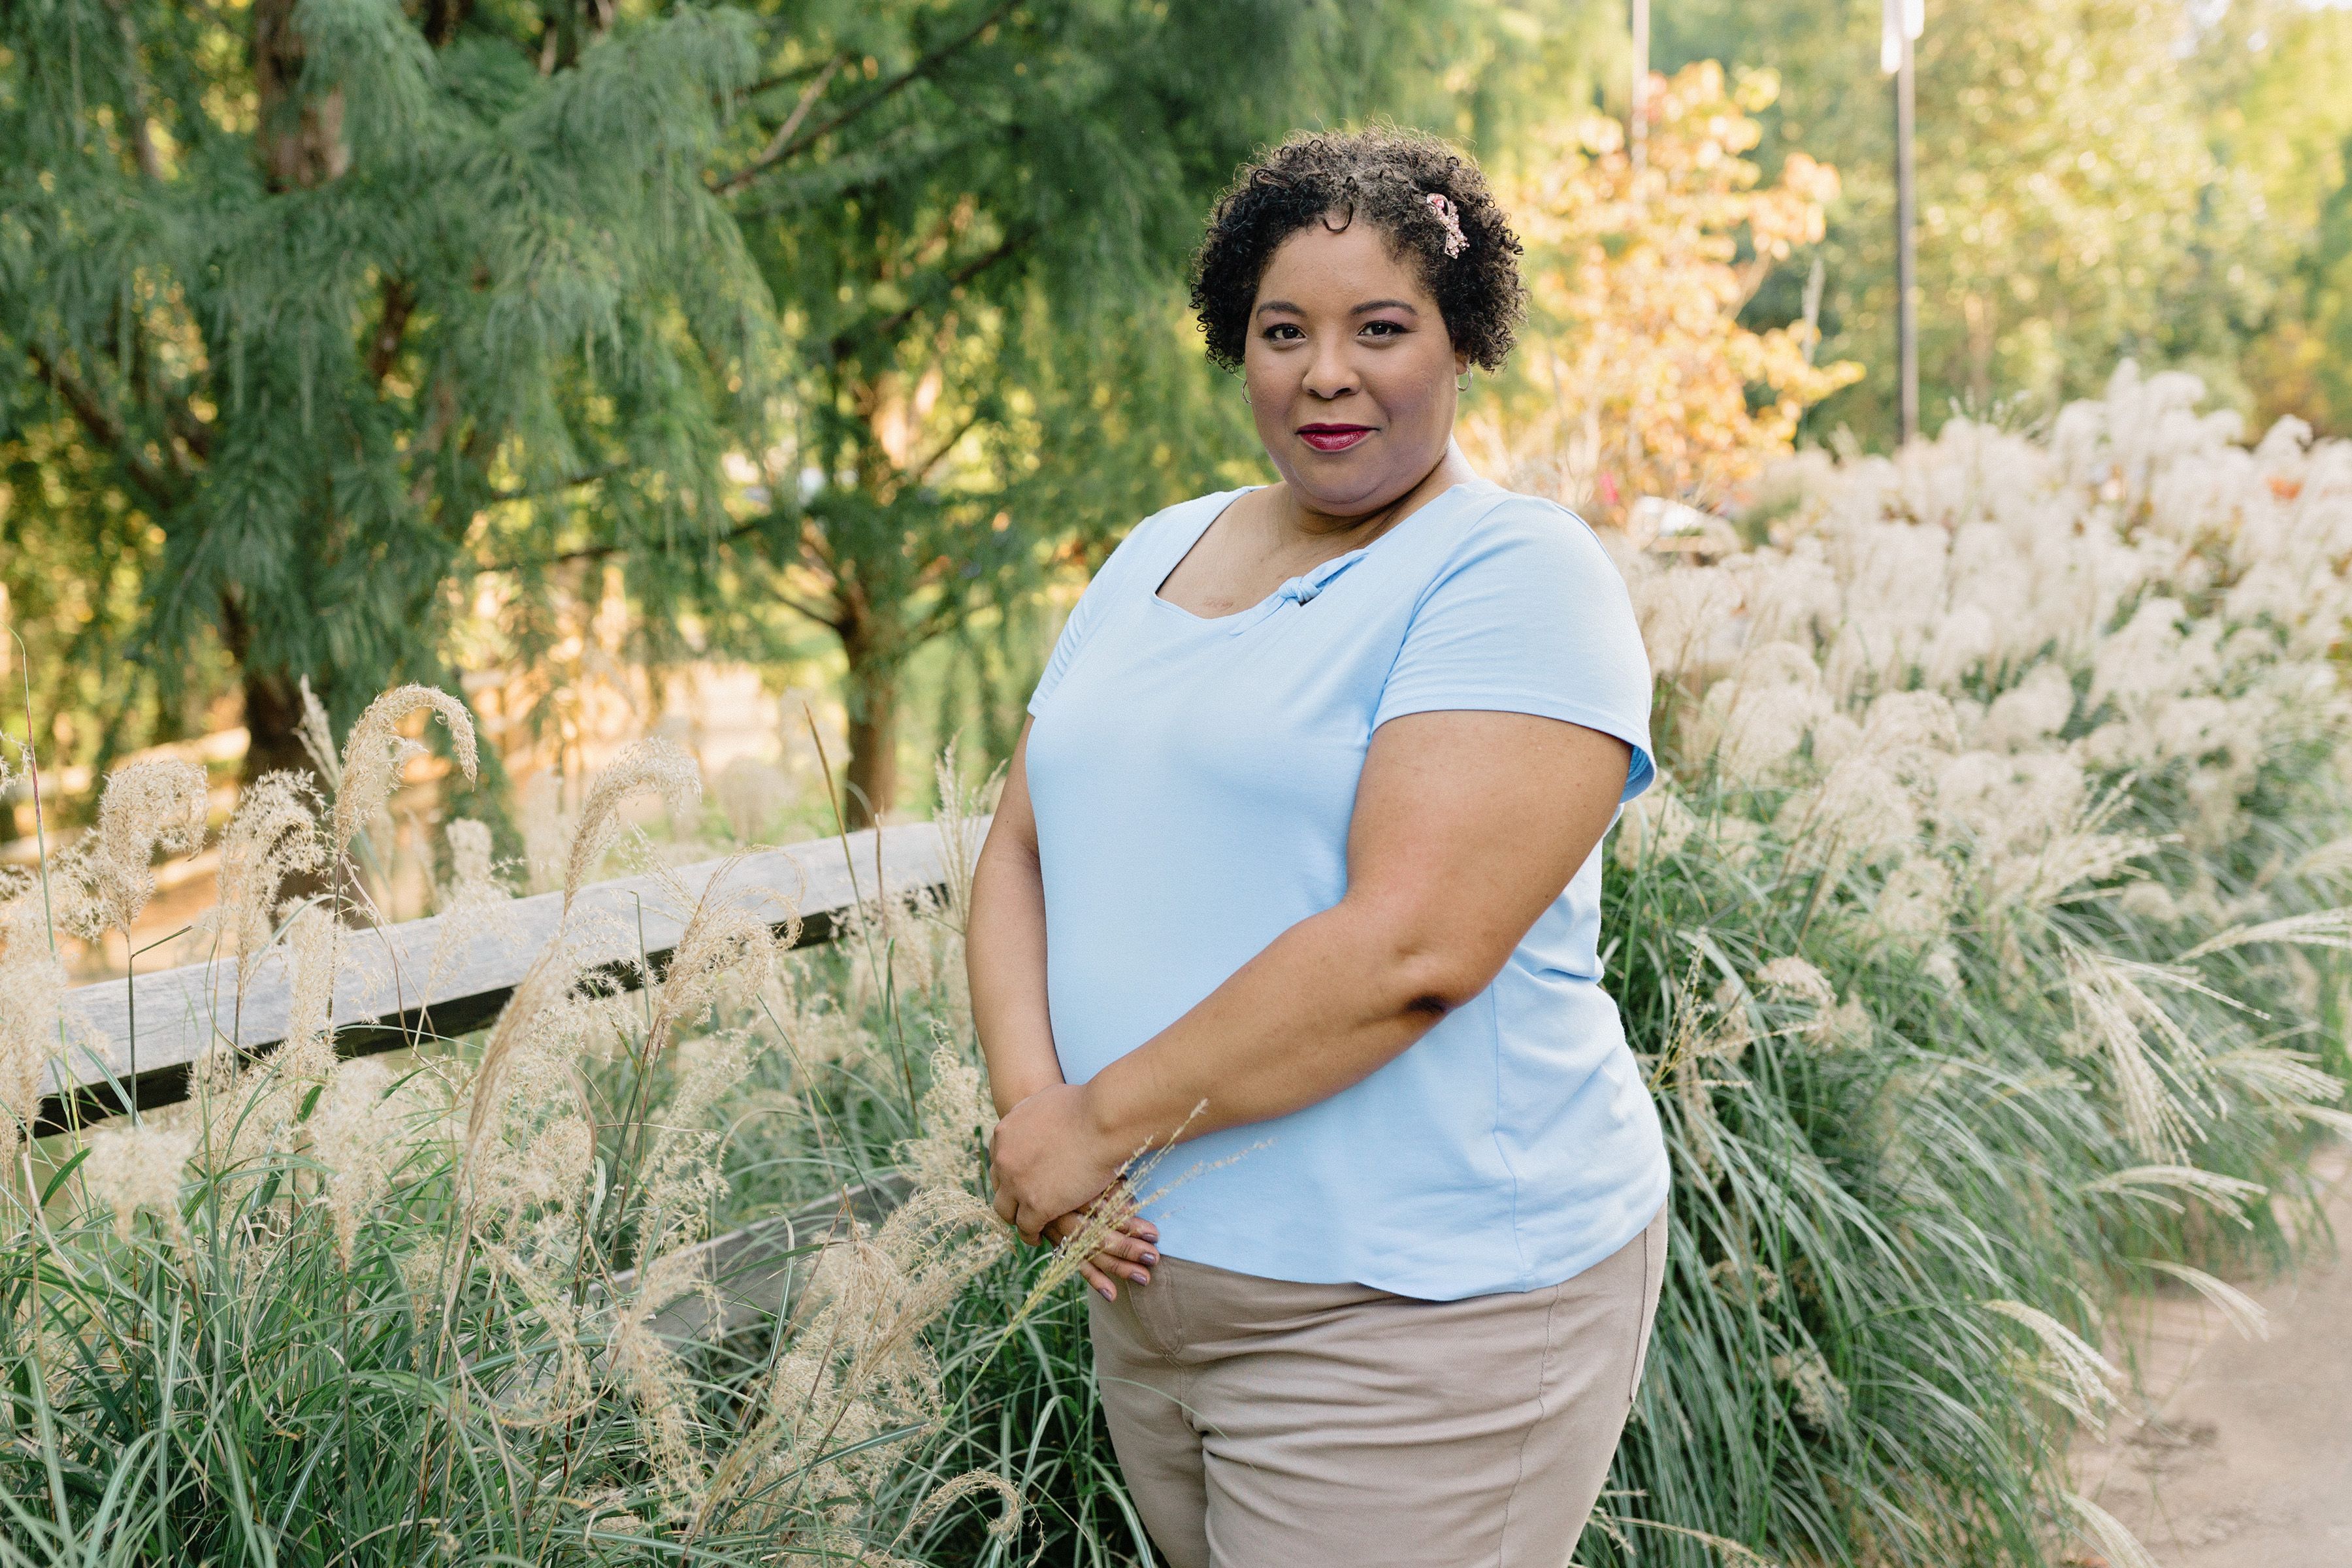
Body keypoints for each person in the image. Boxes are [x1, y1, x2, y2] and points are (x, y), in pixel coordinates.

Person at [965, 125, 1670, 1568]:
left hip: (1418, 1314)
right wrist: (1039, 1121)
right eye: (1284, 330)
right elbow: (1022, 848)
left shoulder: (1512, 573)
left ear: (1463, 341)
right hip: (1149, 1298)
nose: (1326, 373)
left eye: (1381, 329)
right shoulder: (1156, 551)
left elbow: (1410, 950)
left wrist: (1092, 1130)